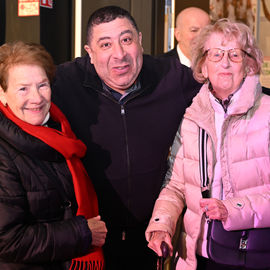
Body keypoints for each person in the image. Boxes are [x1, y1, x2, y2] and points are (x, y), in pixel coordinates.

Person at [52, 5, 201, 270]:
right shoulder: (63, 83)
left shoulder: (171, 78)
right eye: (106, 44)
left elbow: (225, 89)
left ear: (140, 40)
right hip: (89, 242)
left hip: (150, 239)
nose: (119, 54)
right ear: (89, 52)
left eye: (126, 40)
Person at [146, 18, 270, 270]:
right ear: (202, 64)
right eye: (215, 54)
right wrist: (161, 224)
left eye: (235, 54)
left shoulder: (267, 114)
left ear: (249, 64)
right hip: (197, 255)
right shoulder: (191, 116)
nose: (224, 63)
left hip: (252, 254)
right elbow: (177, 185)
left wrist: (232, 210)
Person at [0, 41, 107, 270]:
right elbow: (7, 239)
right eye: (23, 88)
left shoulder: (59, 131)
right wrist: (82, 232)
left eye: (42, 85)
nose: (37, 98)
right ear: (2, 93)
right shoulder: (4, 152)